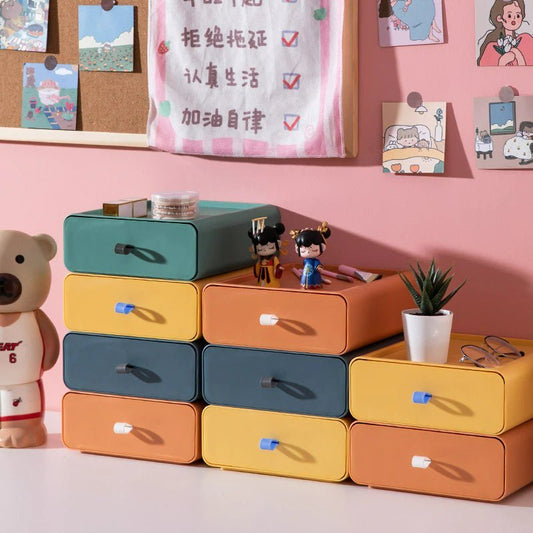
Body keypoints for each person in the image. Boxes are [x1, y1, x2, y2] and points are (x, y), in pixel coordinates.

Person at [478, 0, 533, 66]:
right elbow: (484, 70)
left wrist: (519, 56)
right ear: (499, 18)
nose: (514, 19)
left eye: (518, 15)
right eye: (509, 15)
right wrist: (502, 62)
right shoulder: (491, 47)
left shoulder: (526, 40)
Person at [291, 222, 331, 290]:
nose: (308, 252)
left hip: (314, 277)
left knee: (314, 282)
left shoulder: (315, 261)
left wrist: (319, 268)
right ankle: (305, 285)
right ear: (297, 250)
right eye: (303, 251)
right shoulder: (305, 260)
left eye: (314, 250)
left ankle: (315, 285)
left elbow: (317, 266)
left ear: (322, 247)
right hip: (305, 276)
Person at [248, 220, 285, 288]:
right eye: (260, 248)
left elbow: (277, 267)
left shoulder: (274, 259)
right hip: (261, 279)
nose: (265, 250)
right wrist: (257, 267)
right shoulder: (260, 259)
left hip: (272, 282)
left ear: (278, 244)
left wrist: (279, 269)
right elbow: (257, 269)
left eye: (270, 247)